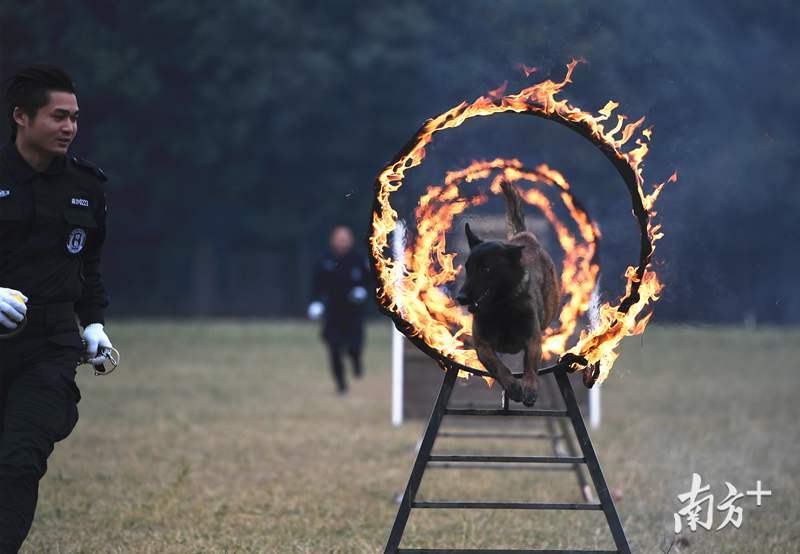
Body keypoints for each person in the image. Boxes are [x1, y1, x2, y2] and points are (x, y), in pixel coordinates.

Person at [0, 64, 112, 552]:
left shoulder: (87, 187)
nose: (69, 127)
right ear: (21, 116)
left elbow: (89, 266)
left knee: (20, 461)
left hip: (49, 346)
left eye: (75, 118)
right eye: (58, 116)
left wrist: (95, 325)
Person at [308, 225, 370, 394]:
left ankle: (356, 359)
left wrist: (362, 291)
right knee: (333, 347)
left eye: (345, 238)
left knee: (354, 345)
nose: (342, 241)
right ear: (332, 240)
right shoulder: (324, 261)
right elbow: (316, 285)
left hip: (354, 312)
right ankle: (341, 383)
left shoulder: (358, 259)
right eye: (339, 238)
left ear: (351, 240)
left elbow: (369, 282)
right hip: (333, 312)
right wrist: (315, 303)